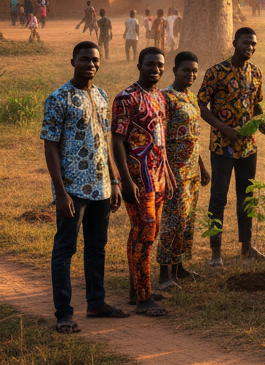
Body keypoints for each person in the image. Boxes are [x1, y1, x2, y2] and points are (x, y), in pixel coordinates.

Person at [41, 40, 127, 332]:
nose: (91, 64)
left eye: (95, 60)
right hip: (72, 189)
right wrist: (60, 192)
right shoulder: (58, 98)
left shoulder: (102, 96)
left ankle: (96, 303)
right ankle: (64, 313)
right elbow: (50, 146)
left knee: (97, 247)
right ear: (73, 61)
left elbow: (104, 143)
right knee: (65, 250)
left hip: (101, 186)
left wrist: (115, 181)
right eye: (85, 59)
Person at [198, 27, 265, 266]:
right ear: (234, 43)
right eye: (246, 43)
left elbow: (256, 103)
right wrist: (223, 128)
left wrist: (262, 121)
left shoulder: (256, 72)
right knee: (219, 197)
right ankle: (215, 253)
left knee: (247, 195)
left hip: (248, 147)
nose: (250, 48)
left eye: (253, 44)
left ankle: (247, 247)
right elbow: (200, 105)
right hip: (222, 146)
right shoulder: (216, 72)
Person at [111, 46, 170, 317]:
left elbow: (161, 140)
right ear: (139, 65)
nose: (155, 69)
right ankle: (144, 298)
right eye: (150, 64)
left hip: (157, 176)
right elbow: (118, 141)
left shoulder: (159, 96)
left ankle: (138, 289)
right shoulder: (126, 98)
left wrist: (167, 173)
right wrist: (125, 179)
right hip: (138, 178)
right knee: (143, 232)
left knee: (150, 232)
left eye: (159, 65)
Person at [156, 50, 209, 291]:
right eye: (186, 70)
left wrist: (201, 166)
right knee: (172, 221)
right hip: (173, 169)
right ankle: (164, 274)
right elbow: (161, 139)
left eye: (195, 71)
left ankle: (179, 266)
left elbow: (193, 136)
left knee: (187, 220)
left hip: (191, 171)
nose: (191, 74)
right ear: (175, 70)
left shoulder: (191, 98)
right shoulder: (165, 97)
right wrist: (165, 171)